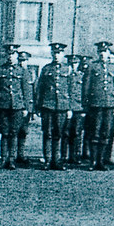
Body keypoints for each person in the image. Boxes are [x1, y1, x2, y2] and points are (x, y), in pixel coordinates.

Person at [83, 40, 114, 170]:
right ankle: (93, 161)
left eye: (105, 52)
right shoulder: (92, 67)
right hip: (96, 104)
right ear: (98, 53)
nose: (103, 54)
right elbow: (86, 87)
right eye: (100, 52)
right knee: (95, 132)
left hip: (109, 104)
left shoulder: (113, 68)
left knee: (106, 133)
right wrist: (86, 104)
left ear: (109, 53)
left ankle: (101, 161)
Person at [0, 44, 28, 169]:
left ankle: (11, 160)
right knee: (4, 133)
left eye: (13, 54)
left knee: (13, 133)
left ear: (17, 56)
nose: (10, 57)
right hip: (2, 107)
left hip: (17, 107)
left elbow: (26, 91)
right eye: (8, 55)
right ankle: (3, 159)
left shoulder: (21, 71)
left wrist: (26, 108)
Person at [37, 42, 73, 170]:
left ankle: (56, 160)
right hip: (47, 105)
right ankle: (47, 160)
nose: (56, 55)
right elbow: (40, 88)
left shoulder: (67, 69)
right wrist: (39, 106)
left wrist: (70, 108)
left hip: (62, 106)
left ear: (63, 54)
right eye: (54, 53)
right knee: (47, 133)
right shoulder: (46, 69)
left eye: (59, 53)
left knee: (58, 133)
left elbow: (71, 89)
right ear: (51, 54)